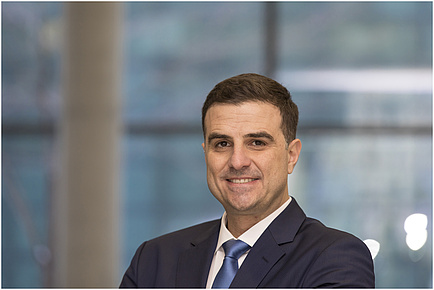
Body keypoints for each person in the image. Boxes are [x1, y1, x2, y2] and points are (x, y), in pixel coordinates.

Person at [120, 73, 375, 288]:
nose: (237, 161)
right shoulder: (154, 260)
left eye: (257, 143)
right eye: (222, 144)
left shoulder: (336, 258)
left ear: (291, 155)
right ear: (206, 153)